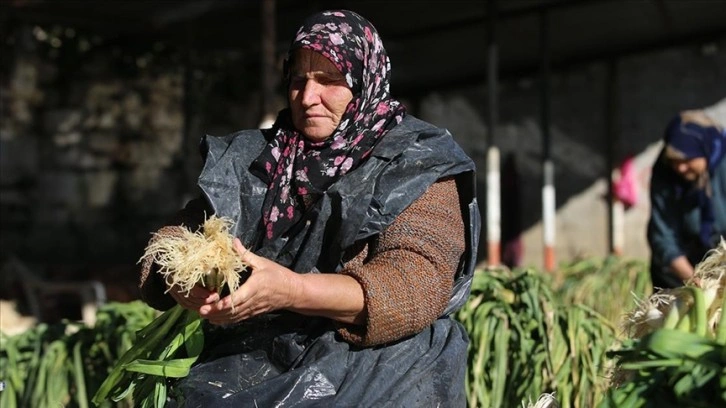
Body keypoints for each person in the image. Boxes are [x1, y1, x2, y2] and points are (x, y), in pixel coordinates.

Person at [139, 10, 480, 407]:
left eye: (330, 81)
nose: (307, 96)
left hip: (380, 372)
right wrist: (182, 282)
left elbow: (413, 286)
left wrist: (290, 290)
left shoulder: (416, 160)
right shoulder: (260, 157)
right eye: (299, 80)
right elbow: (177, 237)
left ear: (365, 82)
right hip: (258, 364)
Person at [647, 98, 726, 289]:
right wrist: (695, 283)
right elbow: (663, 235)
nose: (680, 168)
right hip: (683, 266)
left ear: (705, 150)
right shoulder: (664, 171)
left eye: (687, 160)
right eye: (674, 160)